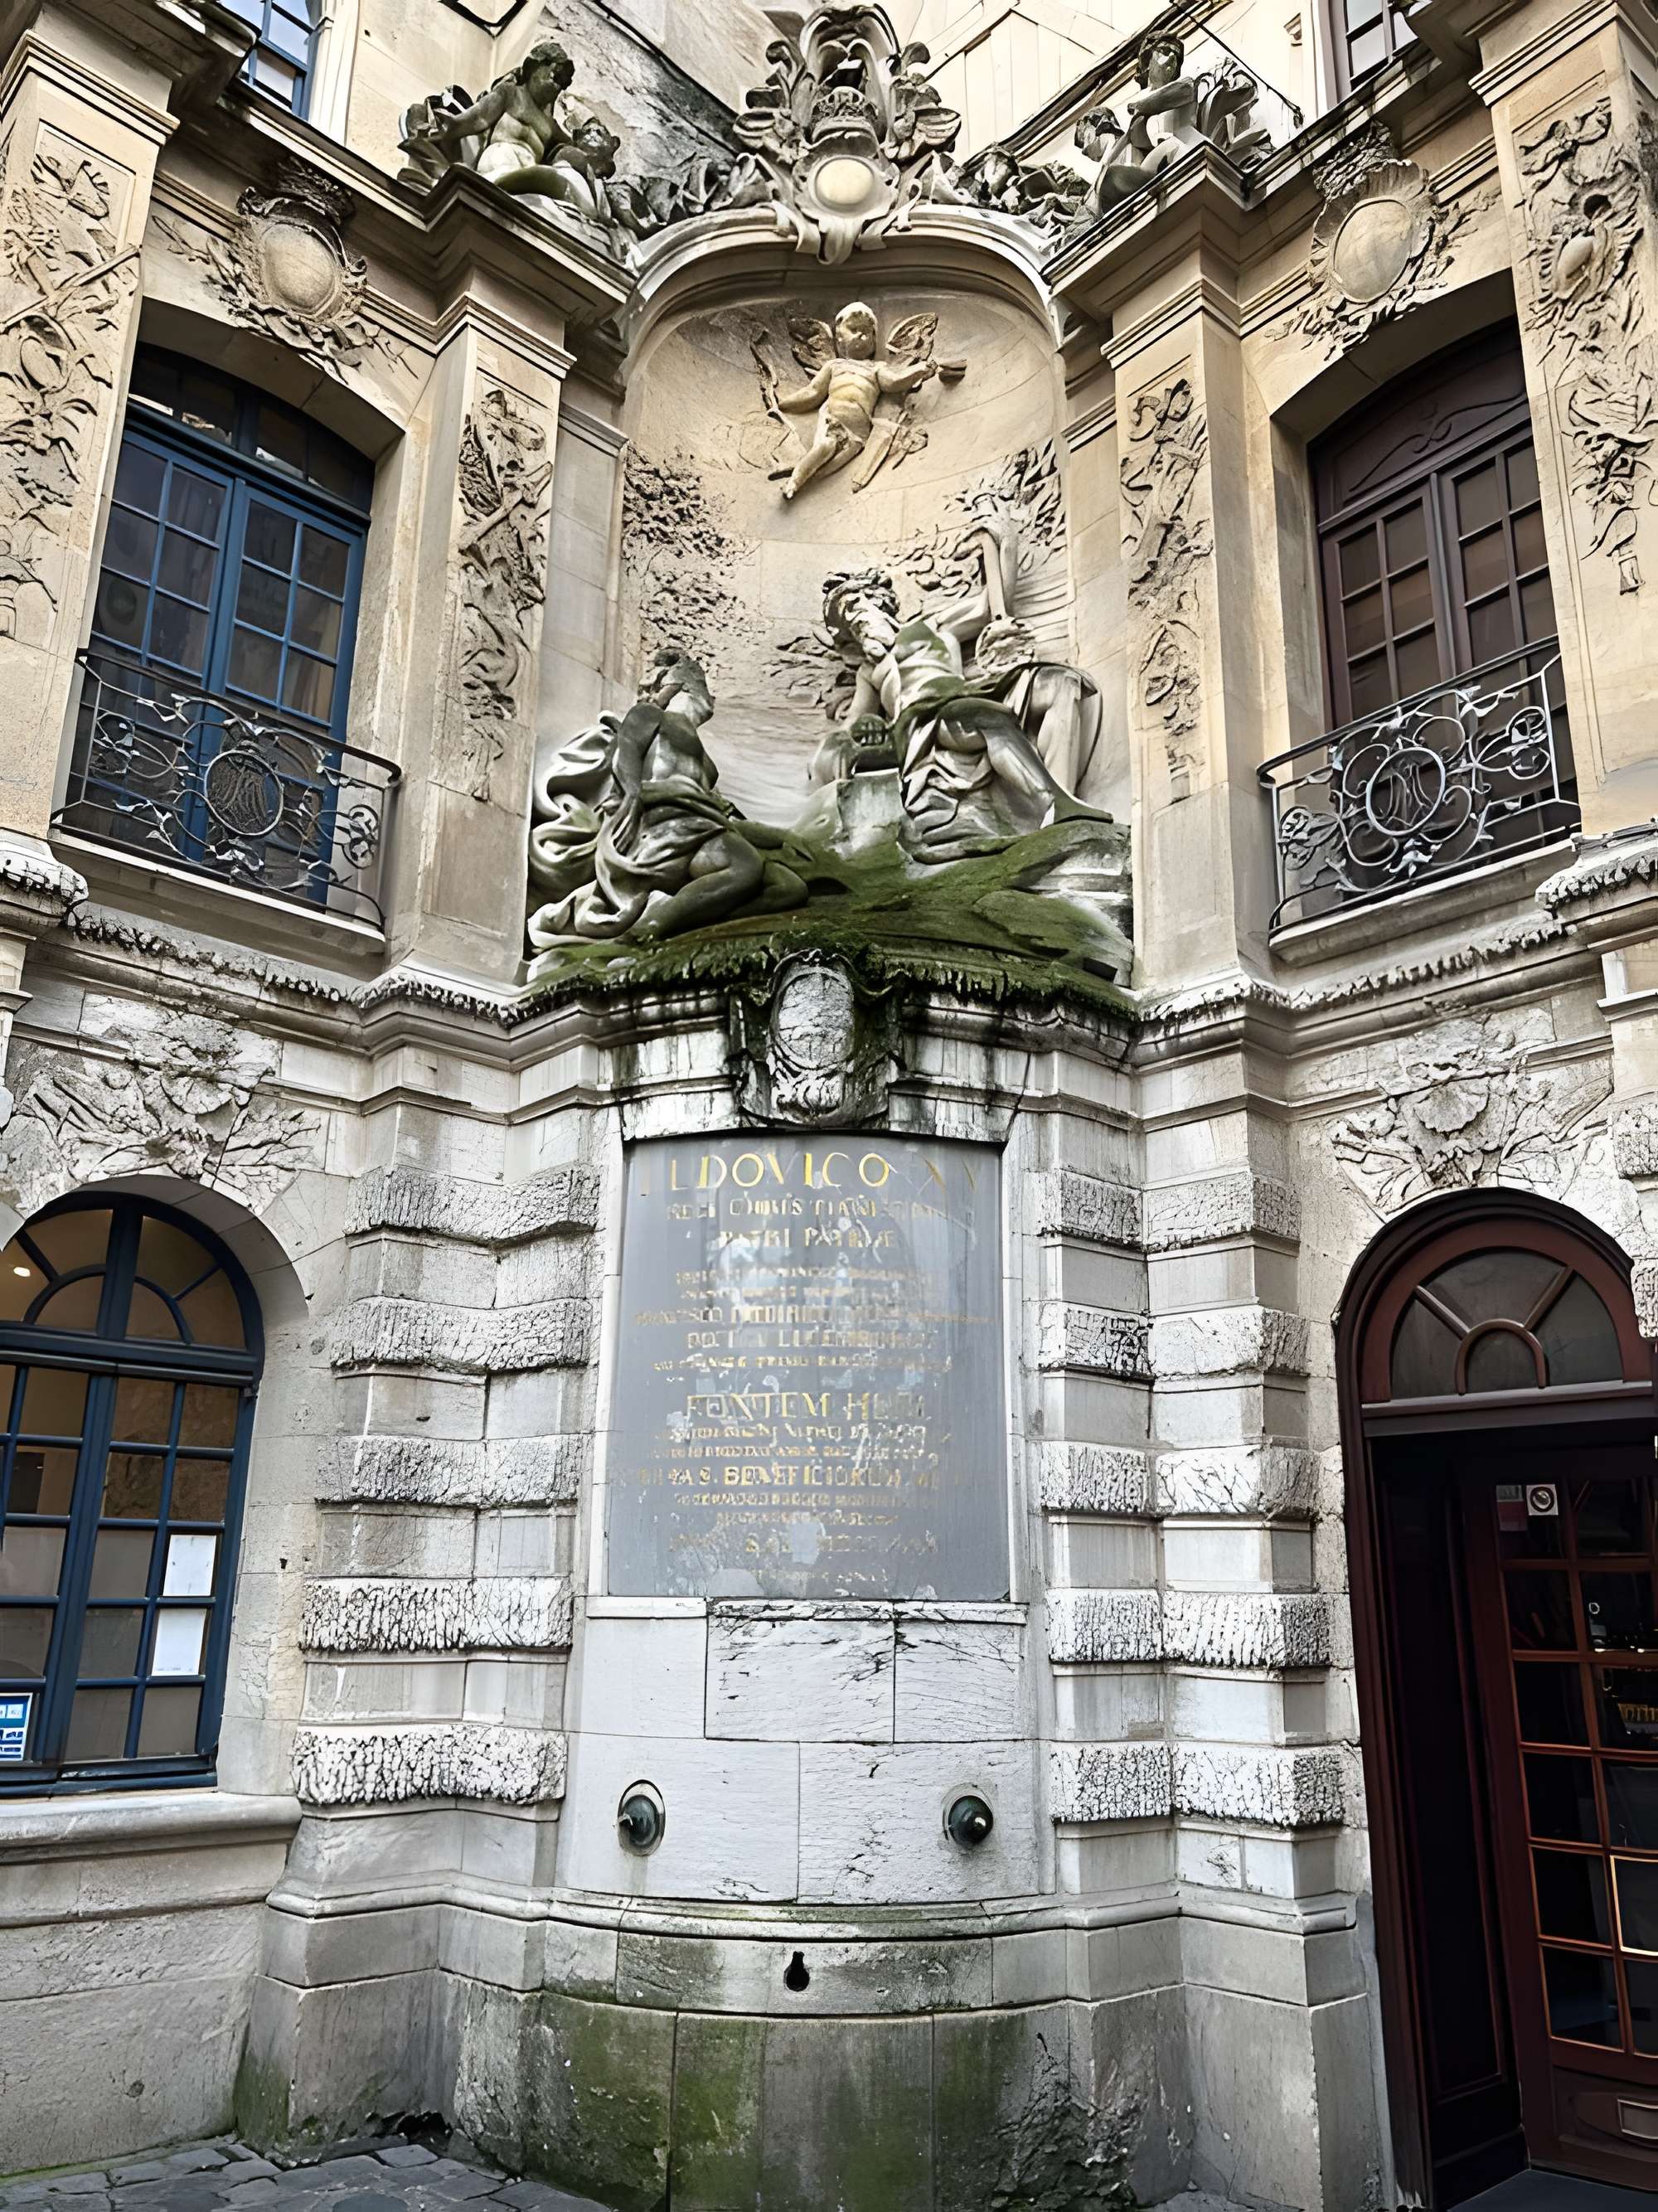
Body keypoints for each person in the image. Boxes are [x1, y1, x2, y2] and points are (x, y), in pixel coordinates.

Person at [818, 557, 1108, 863]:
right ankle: (1053, 803)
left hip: (969, 692)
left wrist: (1004, 538)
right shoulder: (870, 671)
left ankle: (1064, 800)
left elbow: (987, 605)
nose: (853, 622)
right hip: (923, 721)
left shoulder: (932, 627)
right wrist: (852, 735)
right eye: (846, 621)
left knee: (1061, 683)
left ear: (876, 601)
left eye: (853, 607)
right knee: (980, 715)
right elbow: (852, 724)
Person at [527, 652, 808, 945]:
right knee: (744, 865)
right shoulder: (653, 715)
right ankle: (653, 925)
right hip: (663, 821)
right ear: (677, 687)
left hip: (700, 823)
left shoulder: (707, 764)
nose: (709, 699)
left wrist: (784, 837)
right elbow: (627, 753)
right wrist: (633, 797)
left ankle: (691, 925)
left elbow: (719, 812)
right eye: (701, 685)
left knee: (790, 887)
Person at [773, 303, 942, 502]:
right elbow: (813, 392)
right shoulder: (834, 365)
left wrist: (920, 371)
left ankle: (805, 478)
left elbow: (894, 382)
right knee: (825, 446)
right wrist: (782, 405)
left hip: (858, 435)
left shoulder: (876, 368)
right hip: (833, 423)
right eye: (853, 330)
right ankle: (795, 481)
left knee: (826, 469)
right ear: (839, 339)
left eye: (866, 332)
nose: (861, 335)